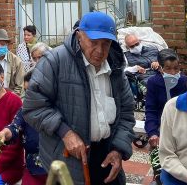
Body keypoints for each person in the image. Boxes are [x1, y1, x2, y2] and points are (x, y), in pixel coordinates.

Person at [23, 11, 135, 185]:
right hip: (66, 155)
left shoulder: (116, 67)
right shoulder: (55, 61)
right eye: (94, 42)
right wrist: (65, 132)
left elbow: (127, 112)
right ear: (79, 36)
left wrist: (118, 149)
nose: (100, 51)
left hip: (106, 153)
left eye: (106, 44)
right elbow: (33, 107)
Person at [0, 70, 47, 184]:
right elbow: (15, 126)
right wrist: (4, 133)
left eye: (34, 91)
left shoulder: (61, 109)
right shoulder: (26, 110)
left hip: (60, 169)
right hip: (34, 171)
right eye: (26, 91)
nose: (29, 96)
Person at [144, 49, 187, 185]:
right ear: (161, 69)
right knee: (160, 159)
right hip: (160, 126)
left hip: (182, 127)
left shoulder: (185, 82)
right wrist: (152, 132)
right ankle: (159, 178)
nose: (173, 72)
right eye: (168, 69)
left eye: (176, 68)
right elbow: (150, 110)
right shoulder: (153, 82)